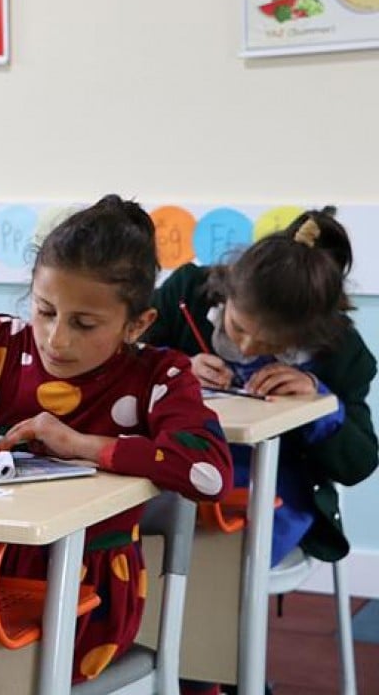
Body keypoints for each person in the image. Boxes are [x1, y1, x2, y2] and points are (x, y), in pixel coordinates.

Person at [0, 195, 234, 684]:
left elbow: (209, 474)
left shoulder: (160, 375)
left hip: (91, 591)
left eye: (84, 324)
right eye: (44, 311)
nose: (56, 339)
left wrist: (82, 444)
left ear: (137, 324)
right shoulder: (1, 343)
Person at [144, 208, 376, 568]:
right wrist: (177, 367)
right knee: (132, 540)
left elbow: (358, 464)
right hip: (175, 471)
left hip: (271, 493)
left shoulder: (340, 350)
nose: (249, 348)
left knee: (216, 562)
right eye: (238, 328)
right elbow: (124, 357)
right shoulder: (189, 293)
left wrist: (321, 402)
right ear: (228, 289)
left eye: (271, 344)